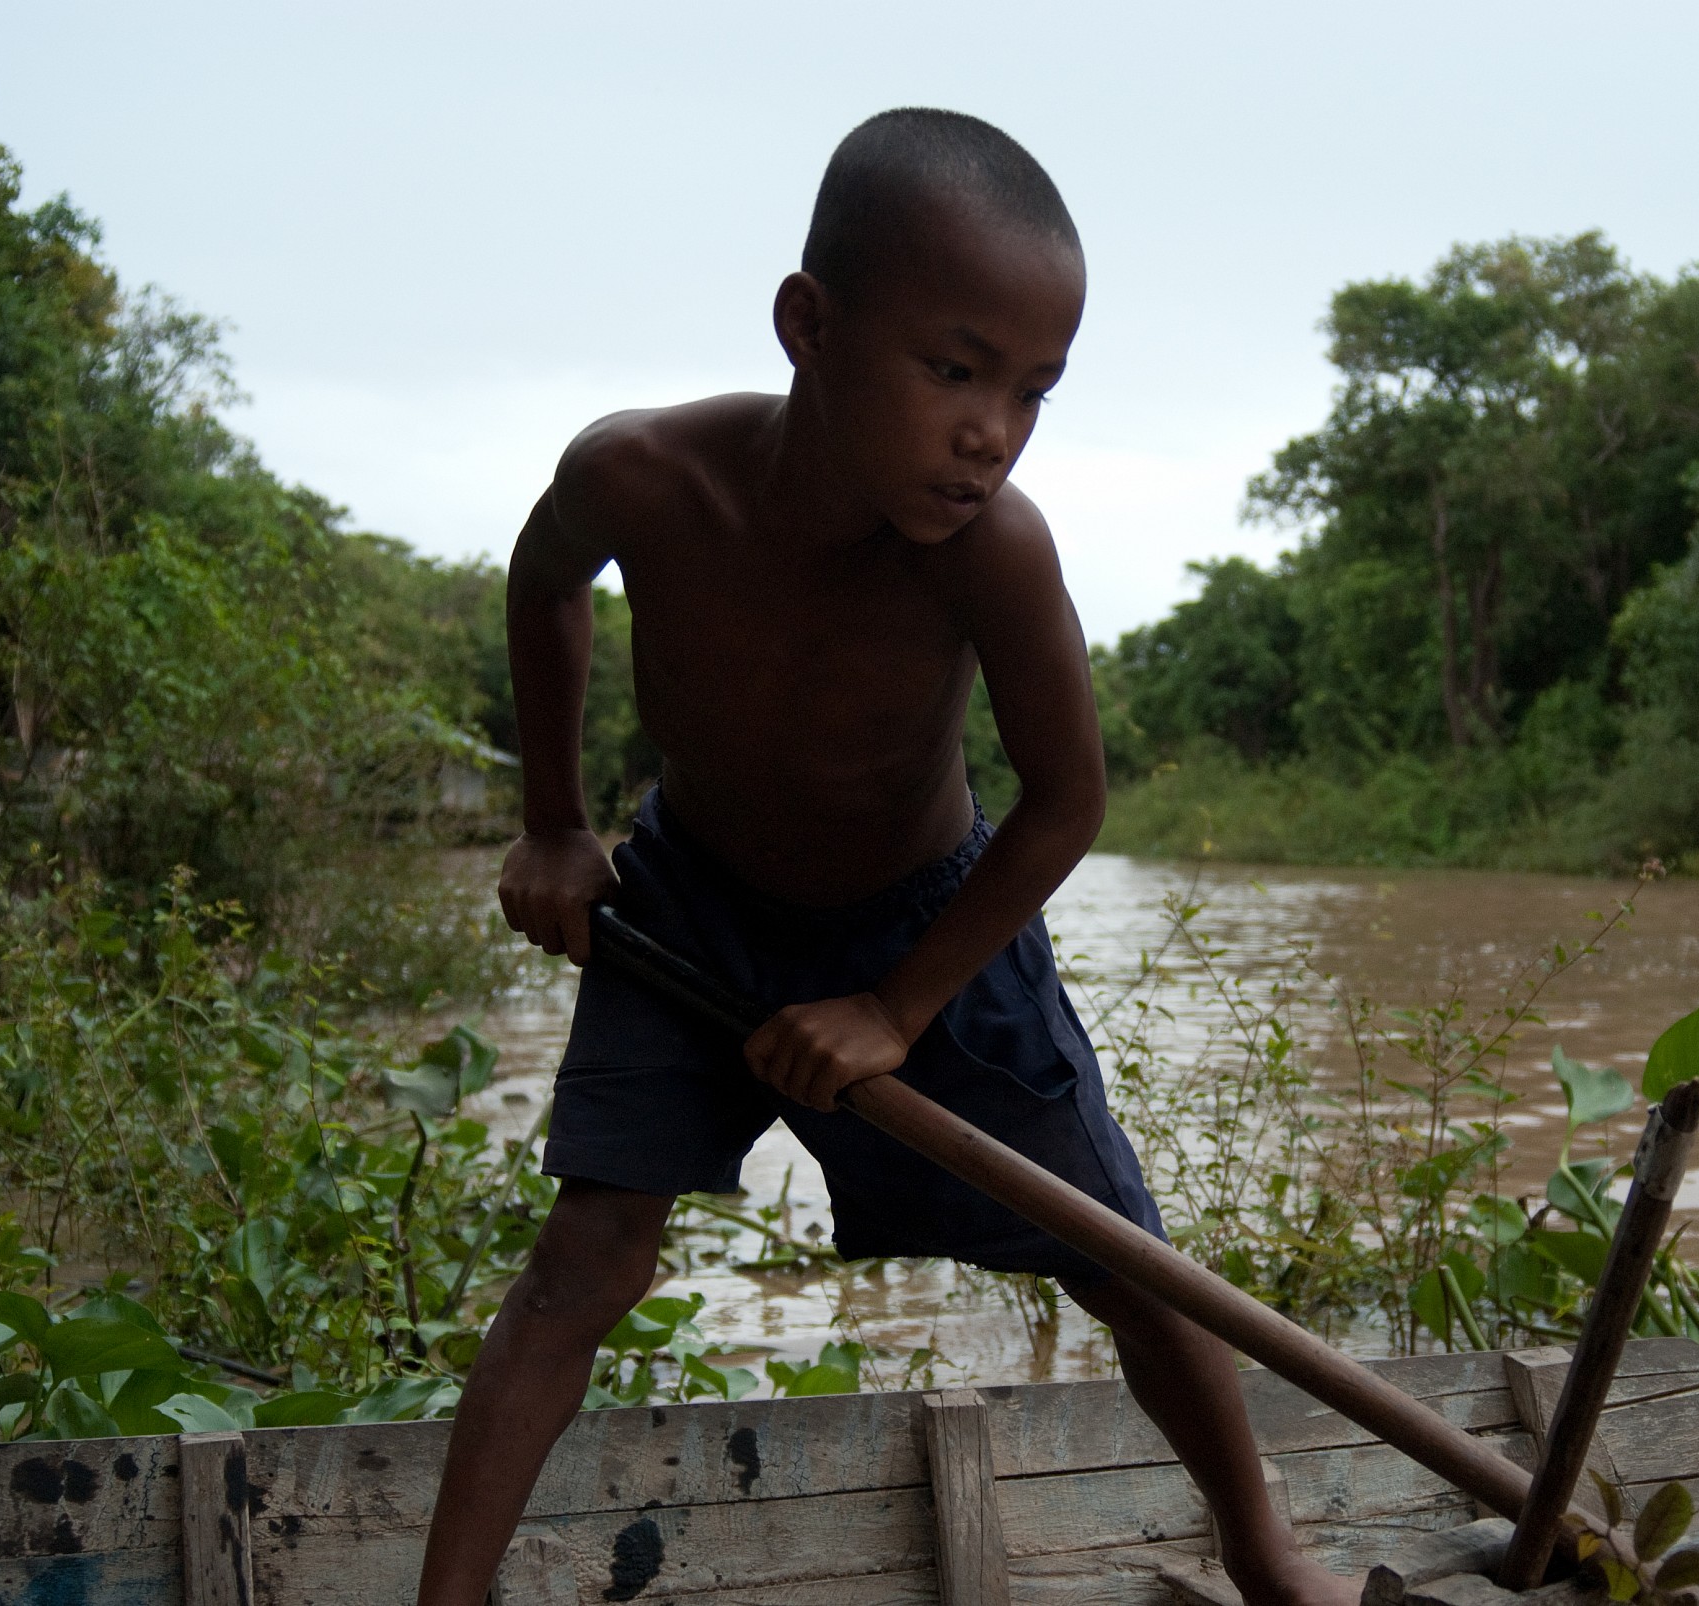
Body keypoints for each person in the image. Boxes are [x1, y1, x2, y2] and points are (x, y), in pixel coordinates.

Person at [416, 108, 1358, 1606]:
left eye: (1033, 392)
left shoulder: (993, 550)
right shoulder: (647, 476)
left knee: (1120, 1252)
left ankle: (1262, 1543)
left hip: (927, 925)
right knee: (587, 1257)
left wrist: (901, 1008)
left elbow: (1064, 801)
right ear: (810, 327)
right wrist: (552, 820)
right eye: (955, 369)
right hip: (692, 901)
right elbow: (545, 582)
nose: (993, 430)